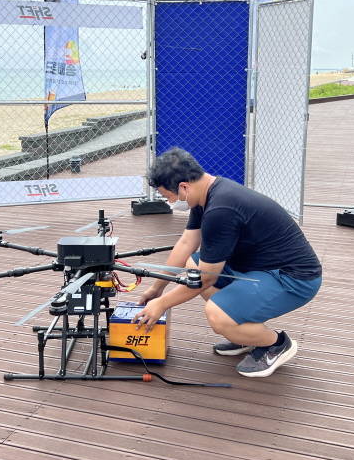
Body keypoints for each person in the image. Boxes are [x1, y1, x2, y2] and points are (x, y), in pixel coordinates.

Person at [135, 147, 322, 378]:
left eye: (168, 196)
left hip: (293, 278)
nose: (170, 201)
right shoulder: (205, 195)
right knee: (193, 265)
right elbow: (186, 243)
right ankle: (243, 332)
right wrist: (157, 288)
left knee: (217, 315)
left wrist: (162, 304)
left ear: (183, 187)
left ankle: (276, 344)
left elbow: (206, 279)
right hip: (258, 268)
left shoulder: (220, 209)